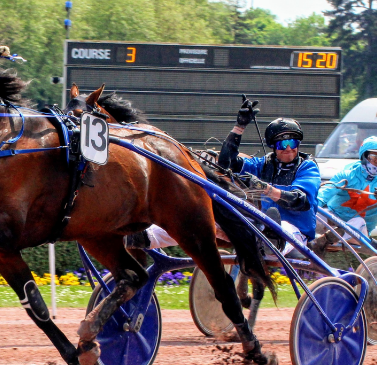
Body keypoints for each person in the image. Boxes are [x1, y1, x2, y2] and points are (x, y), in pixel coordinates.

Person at [127, 98, 321, 256]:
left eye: (292, 142)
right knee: (201, 220)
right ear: (273, 146)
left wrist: (267, 189)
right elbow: (227, 163)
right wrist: (239, 127)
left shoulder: (307, 167)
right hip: (262, 227)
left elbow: (300, 201)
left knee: (278, 227)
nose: (288, 148)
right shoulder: (263, 164)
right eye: (282, 144)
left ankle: (271, 242)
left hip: (294, 233)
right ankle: (145, 236)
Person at [314, 136, 377, 251]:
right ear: (364, 157)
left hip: (359, 228)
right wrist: (310, 205)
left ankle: (328, 239)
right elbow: (325, 192)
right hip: (333, 218)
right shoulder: (348, 174)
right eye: (373, 157)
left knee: (358, 221)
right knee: (309, 215)